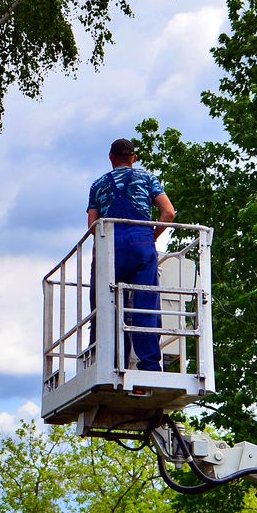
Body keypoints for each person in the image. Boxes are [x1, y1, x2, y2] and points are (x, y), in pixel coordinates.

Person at [86, 137, 176, 372]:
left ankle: (110, 364)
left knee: (107, 306)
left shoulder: (98, 185)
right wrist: (151, 237)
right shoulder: (147, 179)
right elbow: (168, 212)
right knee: (145, 305)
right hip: (141, 244)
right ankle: (149, 365)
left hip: (110, 246)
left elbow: (92, 227)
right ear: (134, 158)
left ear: (111, 158)